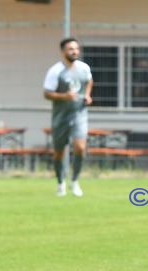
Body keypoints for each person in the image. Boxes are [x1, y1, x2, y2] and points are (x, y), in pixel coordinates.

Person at [43, 37, 93, 197]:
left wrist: (87, 95)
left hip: (79, 114)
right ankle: (60, 182)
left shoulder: (84, 68)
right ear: (63, 51)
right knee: (59, 152)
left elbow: (89, 81)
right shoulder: (55, 71)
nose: (75, 52)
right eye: (71, 49)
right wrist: (64, 96)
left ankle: (75, 181)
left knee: (80, 147)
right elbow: (47, 93)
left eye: (76, 49)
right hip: (60, 117)